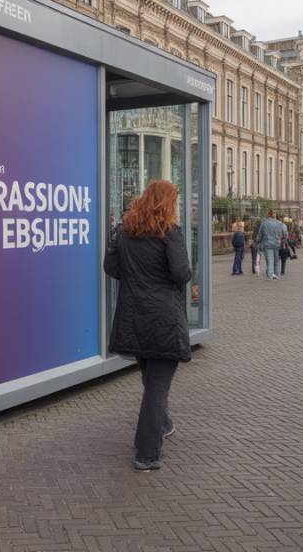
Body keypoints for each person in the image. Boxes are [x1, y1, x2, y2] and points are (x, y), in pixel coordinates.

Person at [103, 180, 192, 472]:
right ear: (168, 204)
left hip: (133, 317)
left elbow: (111, 268)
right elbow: (181, 274)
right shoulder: (171, 233)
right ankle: (147, 453)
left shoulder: (126, 233)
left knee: (152, 381)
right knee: (156, 387)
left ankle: (163, 424)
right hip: (164, 318)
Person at [255, 209, 288, 281]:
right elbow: (285, 234)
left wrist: (257, 241)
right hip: (277, 244)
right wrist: (282, 240)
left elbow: (260, 235)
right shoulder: (280, 223)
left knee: (270, 261)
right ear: (275, 215)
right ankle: (276, 275)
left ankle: (270, 276)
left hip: (267, 244)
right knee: (276, 260)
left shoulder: (264, 223)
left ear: (268, 214)